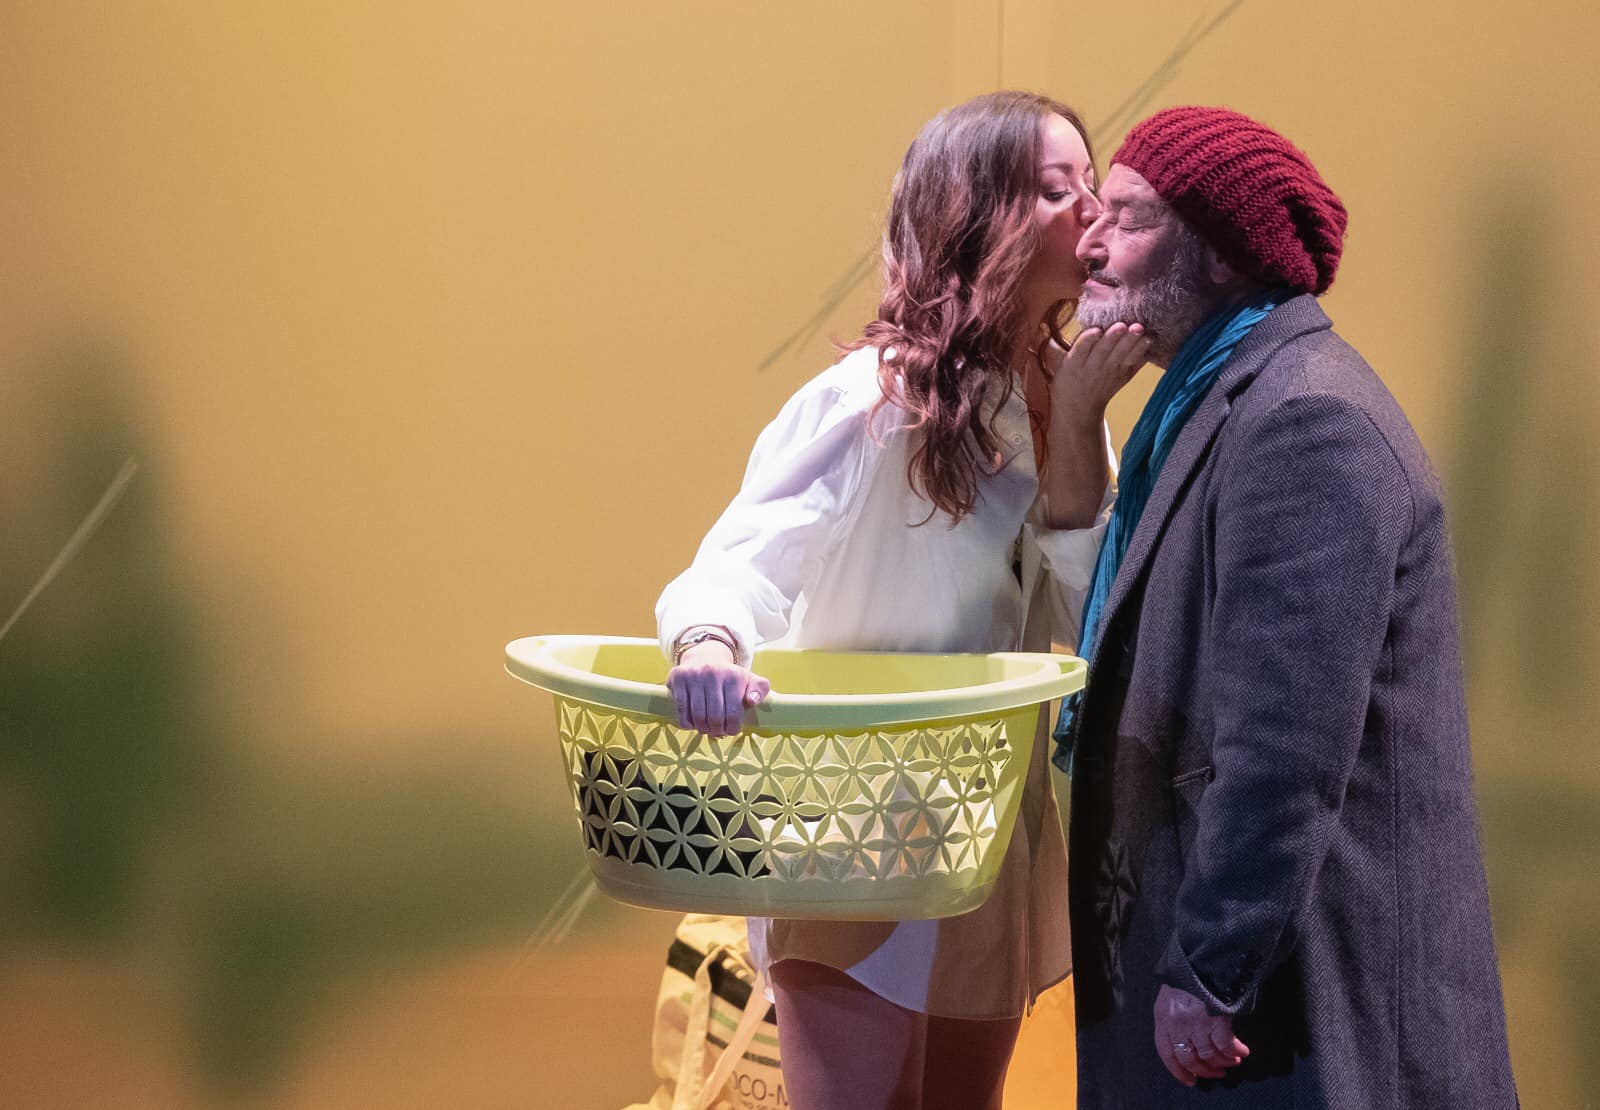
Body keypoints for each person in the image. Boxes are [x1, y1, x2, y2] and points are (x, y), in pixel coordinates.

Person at [654, 91, 1151, 1110]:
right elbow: (744, 557)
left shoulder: (1066, 396)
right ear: (978, 215)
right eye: (1054, 187)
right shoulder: (873, 398)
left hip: (988, 823)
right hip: (856, 825)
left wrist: (1075, 433)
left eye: (1091, 181)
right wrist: (706, 643)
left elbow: (1073, 643)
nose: (1091, 208)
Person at [1053, 105, 1518, 1107]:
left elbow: (1285, 743)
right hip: (1254, 988)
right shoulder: (1221, 400)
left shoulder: (1305, 419)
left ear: (1222, 254)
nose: (1089, 242)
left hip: (1295, 1002)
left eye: (1127, 217)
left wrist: (1210, 964)